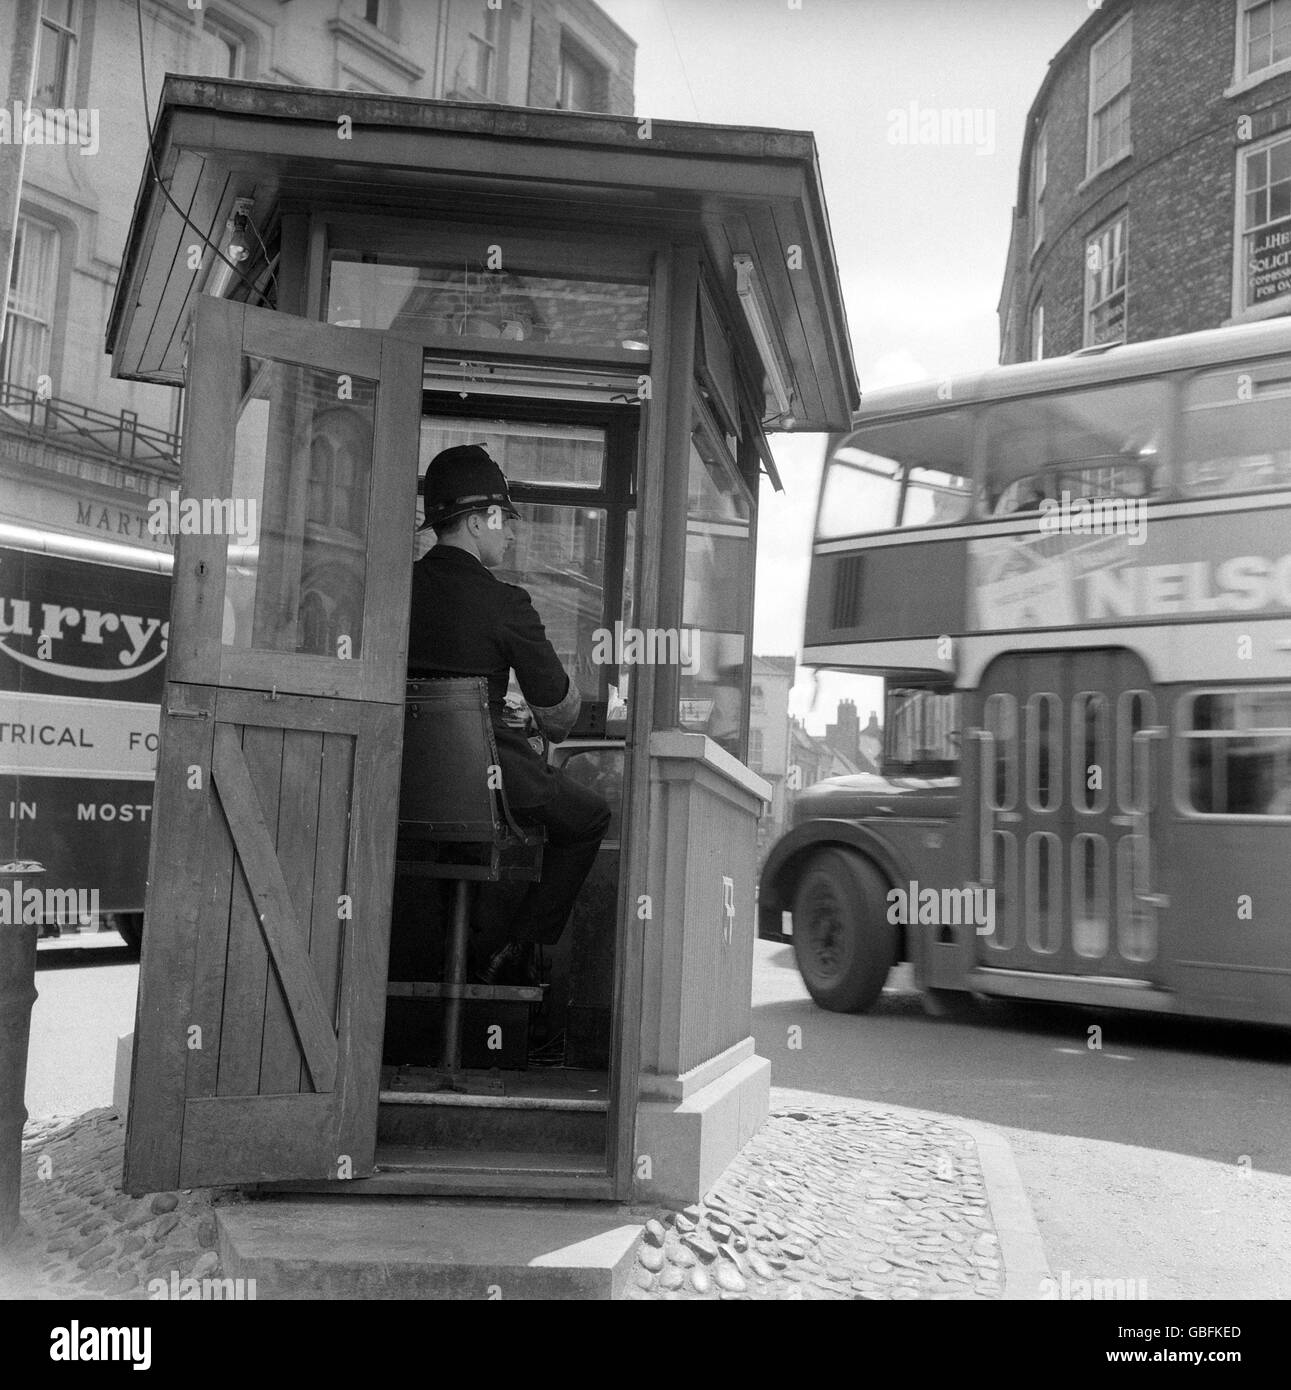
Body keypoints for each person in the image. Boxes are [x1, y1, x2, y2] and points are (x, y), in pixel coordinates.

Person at [406, 444, 611, 985]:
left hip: (398, 784)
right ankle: (515, 952)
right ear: (476, 522)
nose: (512, 534)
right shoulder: (506, 604)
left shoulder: (391, 590)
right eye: (503, 520)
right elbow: (560, 718)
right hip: (486, 783)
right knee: (589, 817)